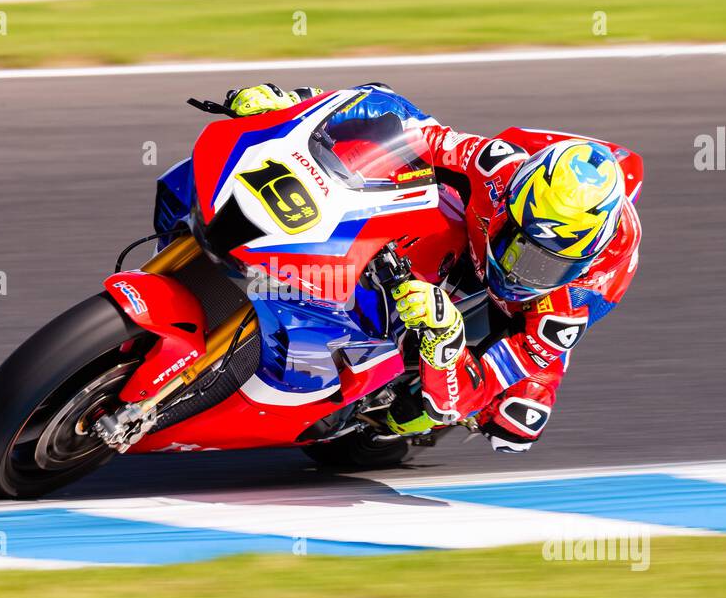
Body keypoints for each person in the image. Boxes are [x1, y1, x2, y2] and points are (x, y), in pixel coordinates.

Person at [219, 82, 642, 453]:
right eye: (518, 247)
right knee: (390, 166)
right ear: (509, 205)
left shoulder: (565, 311)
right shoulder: (497, 168)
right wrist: (294, 102)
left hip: (523, 316)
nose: (518, 272)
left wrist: (446, 339)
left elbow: (466, 393)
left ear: (583, 260)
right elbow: (399, 117)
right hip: (476, 225)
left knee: (514, 423)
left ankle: (387, 422)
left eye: (544, 264)